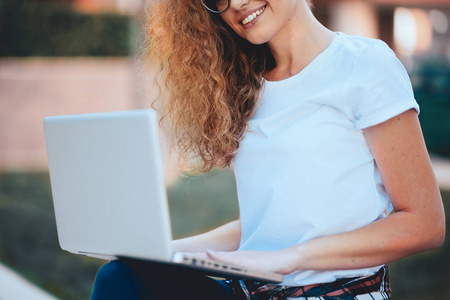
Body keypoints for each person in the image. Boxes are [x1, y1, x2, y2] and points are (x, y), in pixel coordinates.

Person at [90, 0, 446, 299]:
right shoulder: (245, 86)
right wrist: (162, 250)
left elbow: (424, 223)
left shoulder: (363, 65)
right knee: (120, 277)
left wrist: (290, 258)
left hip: (335, 292)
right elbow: (272, 225)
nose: (237, 4)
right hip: (255, 290)